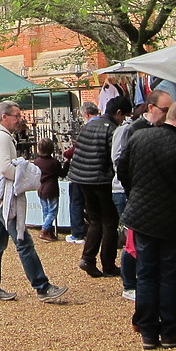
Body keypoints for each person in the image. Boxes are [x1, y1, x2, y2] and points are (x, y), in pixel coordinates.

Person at [119, 99, 176, 349]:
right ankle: (170, 330)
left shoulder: (139, 137)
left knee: (145, 273)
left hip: (142, 217)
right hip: (174, 221)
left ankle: (148, 330)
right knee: (169, 275)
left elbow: (122, 171)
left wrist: (137, 195)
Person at [0, 100, 68, 303]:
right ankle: (42, 287)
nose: (20, 119)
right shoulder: (2, 138)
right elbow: (5, 168)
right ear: (4, 117)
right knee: (23, 240)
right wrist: (26, 176)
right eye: (16, 116)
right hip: (4, 197)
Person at [111, 90, 174, 299]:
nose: (167, 114)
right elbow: (121, 163)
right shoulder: (134, 129)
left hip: (150, 196)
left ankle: (138, 283)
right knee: (132, 241)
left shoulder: (161, 129)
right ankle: (129, 284)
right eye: (164, 110)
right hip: (133, 194)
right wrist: (133, 190)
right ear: (151, 107)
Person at [69, 95, 132, 278]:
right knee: (110, 222)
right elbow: (114, 156)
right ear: (118, 112)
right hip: (100, 179)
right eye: (124, 116)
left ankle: (88, 258)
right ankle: (108, 265)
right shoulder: (111, 129)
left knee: (95, 220)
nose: (124, 120)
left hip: (82, 178)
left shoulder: (89, 125)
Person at [64, 101, 99, 244]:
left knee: (76, 202)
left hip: (81, 172)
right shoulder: (105, 125)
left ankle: (77, 233)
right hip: (97, 172)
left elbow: (77, 148)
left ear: (86, 114)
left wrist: (67, 153)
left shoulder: (87, 128)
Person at [35, 138, 63, 242]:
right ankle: (44, 229)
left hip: (41, 188)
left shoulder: (37, 162)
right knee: (53, 211)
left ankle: (49, 231)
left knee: (45, 211)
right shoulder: (54, 162)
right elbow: (62, 174)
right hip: (52, 189)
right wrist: (67, 162)